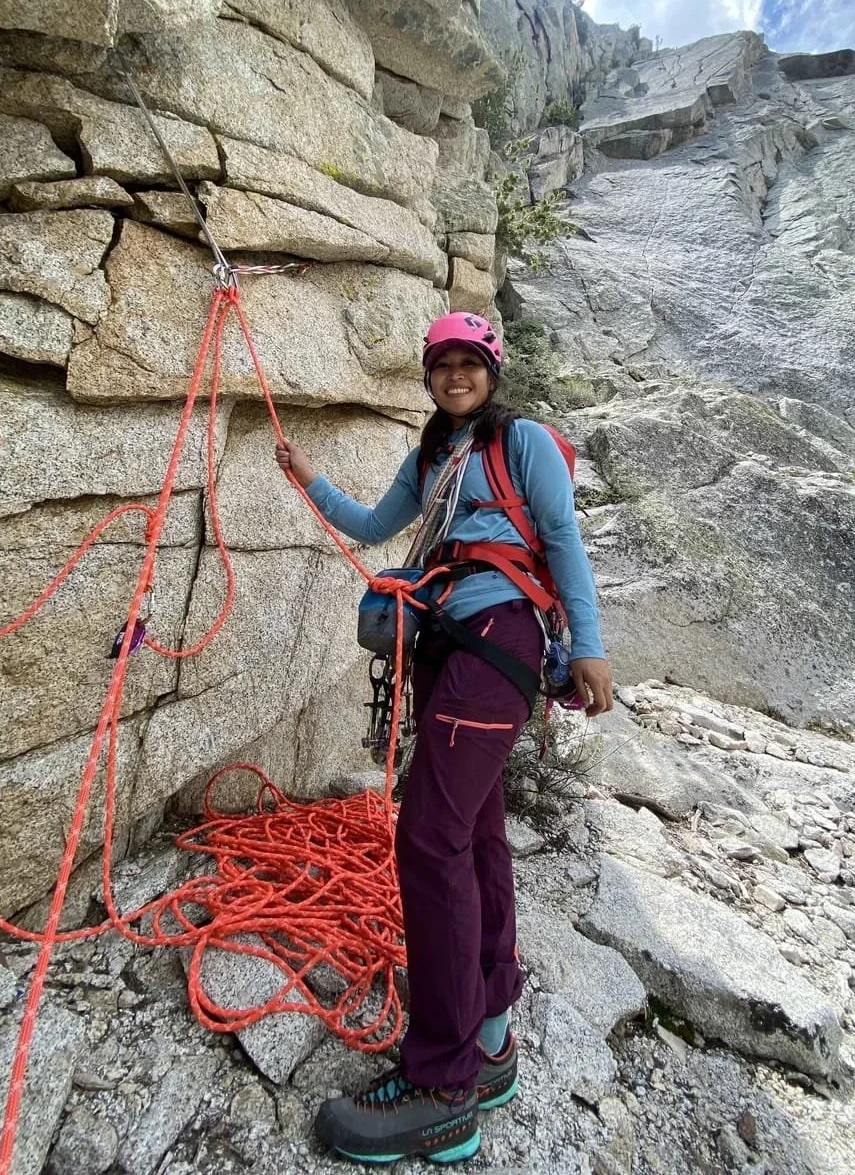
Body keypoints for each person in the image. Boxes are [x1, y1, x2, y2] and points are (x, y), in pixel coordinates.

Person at [275, 310, 613, 1165]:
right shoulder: (430, 456)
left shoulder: (521, 442)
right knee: (474, 832)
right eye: (443, 364)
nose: (456, 375)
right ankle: (490, 1035)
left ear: (493, 372)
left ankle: (442, 1082)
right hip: (445, 642)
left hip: (500, 635)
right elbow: (370, 524)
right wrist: (308, 478)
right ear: (428, 375)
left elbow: (563, 537)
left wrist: (594, 646)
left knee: (427, 837)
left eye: (470, 363)